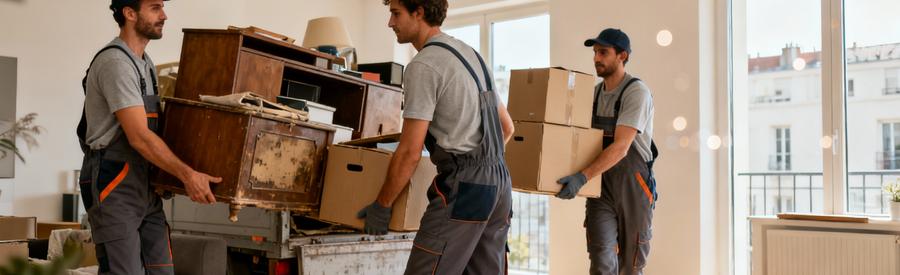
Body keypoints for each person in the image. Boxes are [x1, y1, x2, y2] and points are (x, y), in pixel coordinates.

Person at [355, 0, 516, 273]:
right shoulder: (472, 55)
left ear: (419, 13)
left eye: (396, 13)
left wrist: (382, 206)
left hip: (465, 187)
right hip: (500, 185)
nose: (390, 23)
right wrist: (485, 168)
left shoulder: (424, 65)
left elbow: (409, 153)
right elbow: (507, 128)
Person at [77, 0, 221, 274]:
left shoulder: (145, 63)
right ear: (130, 13)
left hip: (144, 184)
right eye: (155, 8)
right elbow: (140, 137)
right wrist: (188, 175)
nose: (164, 15)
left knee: (161, 269)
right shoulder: (115, 62)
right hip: (114, 182)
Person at [555, 28, 659, 275]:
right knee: (601, 261)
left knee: (631, 265)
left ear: (622, 55)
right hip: (600, 188)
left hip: (633, 187)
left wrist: (582, 176)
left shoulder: (636, 92)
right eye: (595, 52)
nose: (596, 58)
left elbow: (622, 147)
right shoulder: (593, 95)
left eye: (603, 52)